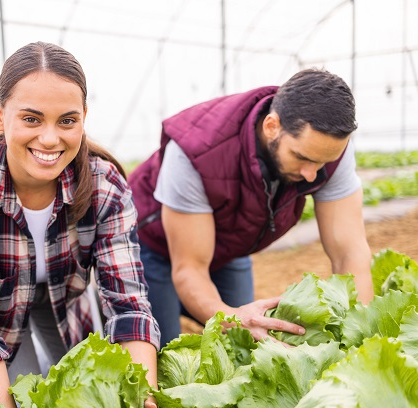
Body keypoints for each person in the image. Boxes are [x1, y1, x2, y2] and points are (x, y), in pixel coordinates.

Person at [0, 41, 160, 408]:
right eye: (32, 119)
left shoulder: (104, 184)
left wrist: (145, 403)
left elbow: (128, 302)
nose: (50, 139)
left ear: (84, 117)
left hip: (62, 300)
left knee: (74, 400)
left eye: (67, 121)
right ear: (0, 115)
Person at [128, 68, 374, 346]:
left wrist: (358, 337)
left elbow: (350, 254)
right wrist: (229, 318)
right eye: (301, 158)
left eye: (323, 162)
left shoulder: (326, 150)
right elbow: (190, 269)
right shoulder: (197, 150)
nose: (312, 174)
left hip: (228, 243)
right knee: (162, 347)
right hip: (152, 247)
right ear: (272, 126)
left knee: (246, 341)